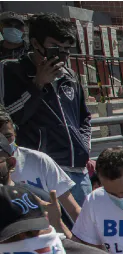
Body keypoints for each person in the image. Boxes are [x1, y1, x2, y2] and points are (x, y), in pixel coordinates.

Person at [4, 13, 91, 204]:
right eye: (55, 47)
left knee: (85, 220)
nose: (62, 54)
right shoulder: (11, 70)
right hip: (40, 170)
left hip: (77, 168)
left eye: (66, 49)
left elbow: (84, 117)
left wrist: (83, 145)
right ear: (36, 43)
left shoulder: (70, 75)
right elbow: (10, 117)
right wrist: (37, 84)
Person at [0, 112, 81, 220]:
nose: (3, 143)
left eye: (7, 136)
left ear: (15, 132)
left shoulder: (39, 161)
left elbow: (72, 209)